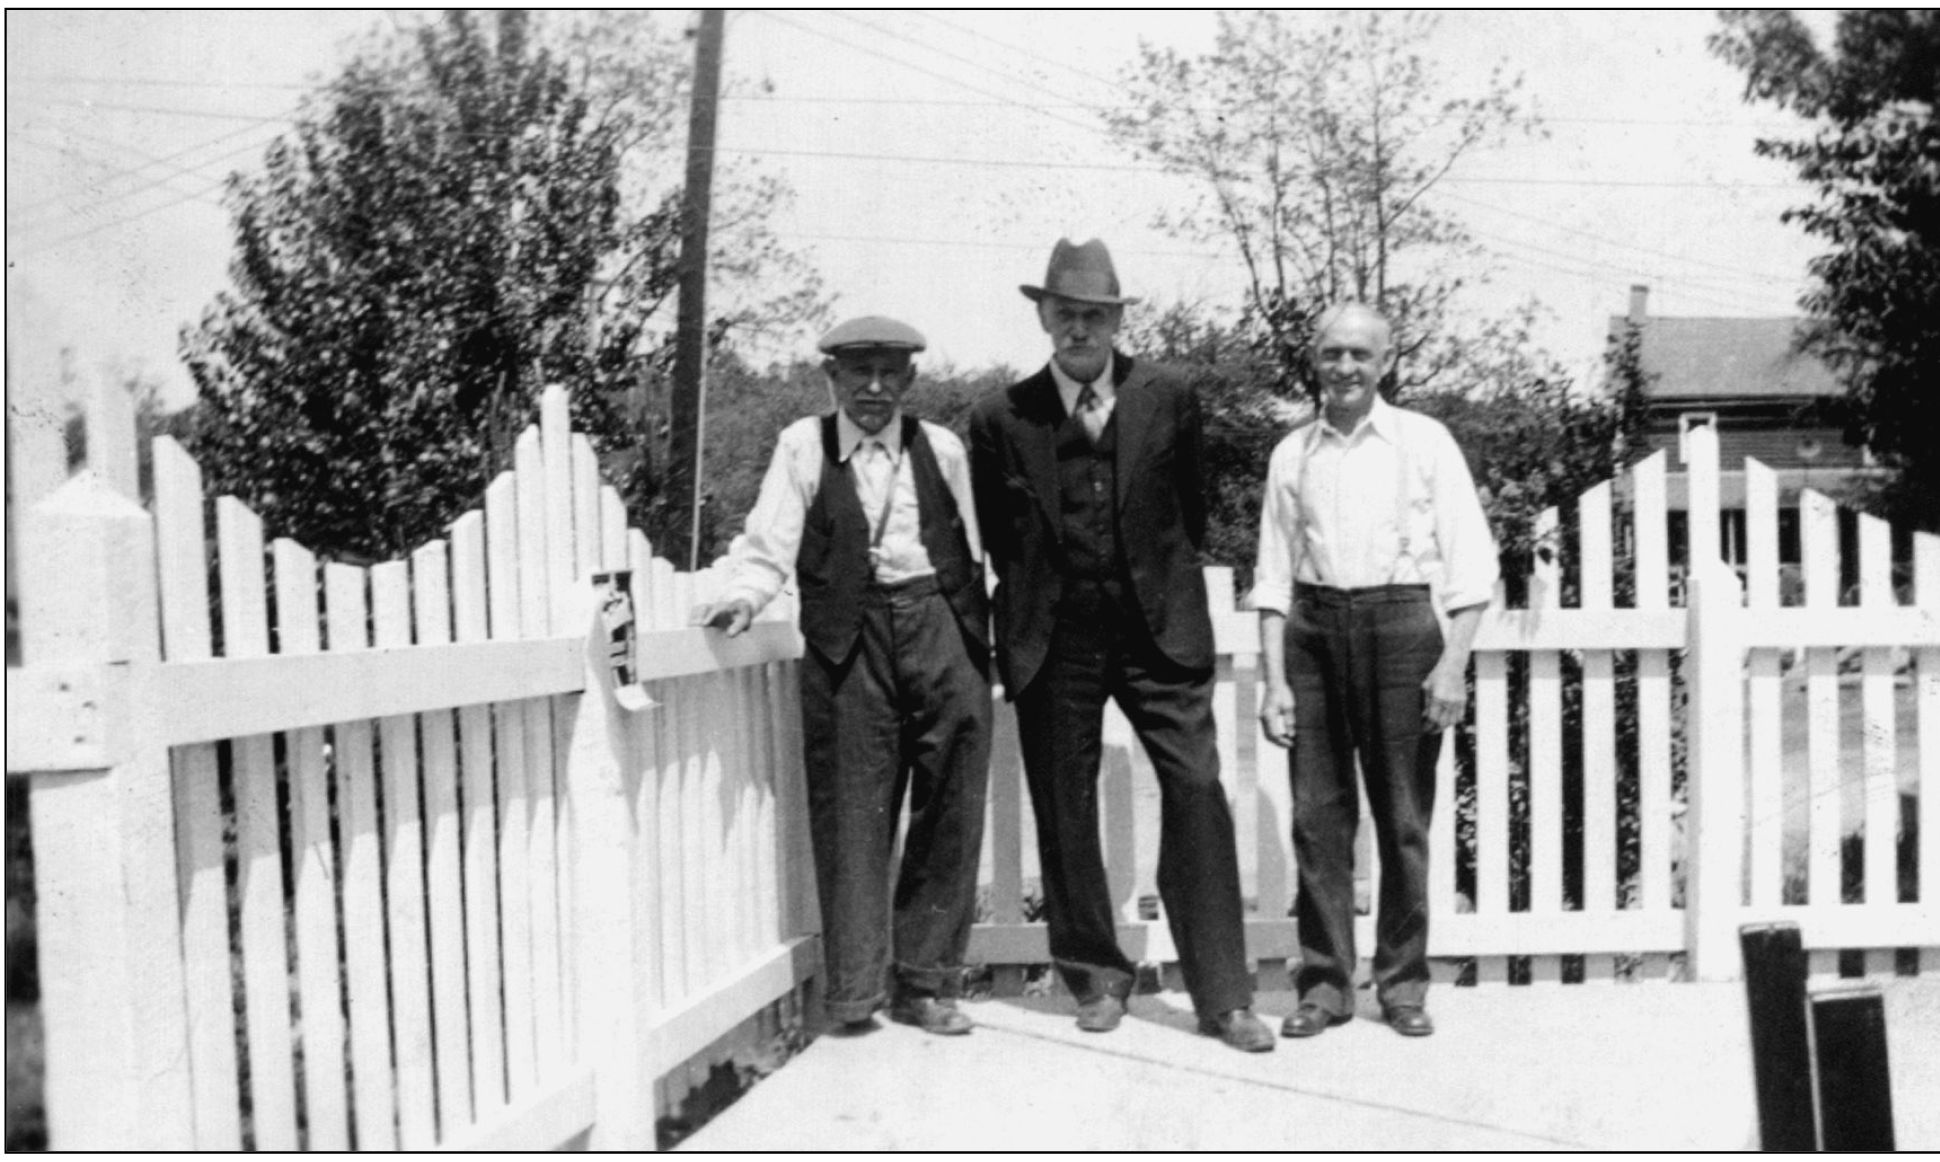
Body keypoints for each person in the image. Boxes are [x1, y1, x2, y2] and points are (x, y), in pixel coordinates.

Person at [969, 238, 1274, 1053]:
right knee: (1065, 807)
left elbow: (1188, 510)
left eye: (1095, 314)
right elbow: (1003, 540)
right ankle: (1096, 979)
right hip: (1053, 635)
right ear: (1043, 316)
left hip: (1158, 629)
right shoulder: (1000, 417)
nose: (1080, 328)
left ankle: (1223, 996)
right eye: (1065, 312)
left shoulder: (1168, 394)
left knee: (1198, 786)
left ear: (1116, 320)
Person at [696, 316, 992, 1036]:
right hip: (847, 637)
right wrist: (743, 598)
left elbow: (980, 547)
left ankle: (926, 984)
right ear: (831, 378)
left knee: (951, 799)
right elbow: (769, 543)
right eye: (858, 372)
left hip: (939, 619)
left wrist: (985, 634)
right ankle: (856, 993)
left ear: (911, 380)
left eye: (891, 372)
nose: (874, 387)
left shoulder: (941, 448)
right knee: (853, 808)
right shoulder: (803, 446)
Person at [1252, 302, 1498, 1039]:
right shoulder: (1292, 453)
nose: (1346, 368)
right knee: (1317, 819)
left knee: (1403, 818)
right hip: (1316, 631)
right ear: (1315, 362)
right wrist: (1274, 680)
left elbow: (1471, 570)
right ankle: (1325, 985)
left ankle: (1401, 984)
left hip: (1402, 628)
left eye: (1361, 354)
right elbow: (1271, 579)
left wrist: (1451, 666)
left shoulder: (1424, 443)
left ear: (1386, 361)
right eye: (1332, 354)